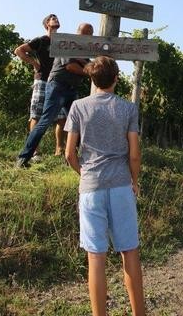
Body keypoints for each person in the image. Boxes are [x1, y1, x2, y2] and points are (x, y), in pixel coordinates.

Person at [65, 56, 145, 316]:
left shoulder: (78, 107)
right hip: (121, 185)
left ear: (91, 78)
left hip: (91, 187)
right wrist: (134, 181)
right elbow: (134, 153)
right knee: (129, 252)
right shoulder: (128, 109)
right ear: (116, 79)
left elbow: (69, 153)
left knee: (96, 257)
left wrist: (84, 173)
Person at [16, 23, 94, 168]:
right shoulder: (67, 43)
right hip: (57, 86)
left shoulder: (83, 50)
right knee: (45, 121)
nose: (87, 36)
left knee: (76, 123)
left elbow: (87, 64)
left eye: (90, 33)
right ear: (78, 33)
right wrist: (91, 72)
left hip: (71, 89)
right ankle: (23, 158)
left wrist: (92, 67)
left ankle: (75, 158)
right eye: (85, 32)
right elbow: (71, 66)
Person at [14, 14, 68, 158]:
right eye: (52, 18)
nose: (56, 19)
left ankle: (59, 149)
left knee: (62, 117)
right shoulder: (41, 40)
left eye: (57, 18)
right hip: (42, 81)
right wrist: (34, 63)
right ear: (47, 24)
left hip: (57, 82)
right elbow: (19, 50)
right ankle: (34, 151)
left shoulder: (62, 42)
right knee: (36, 115)